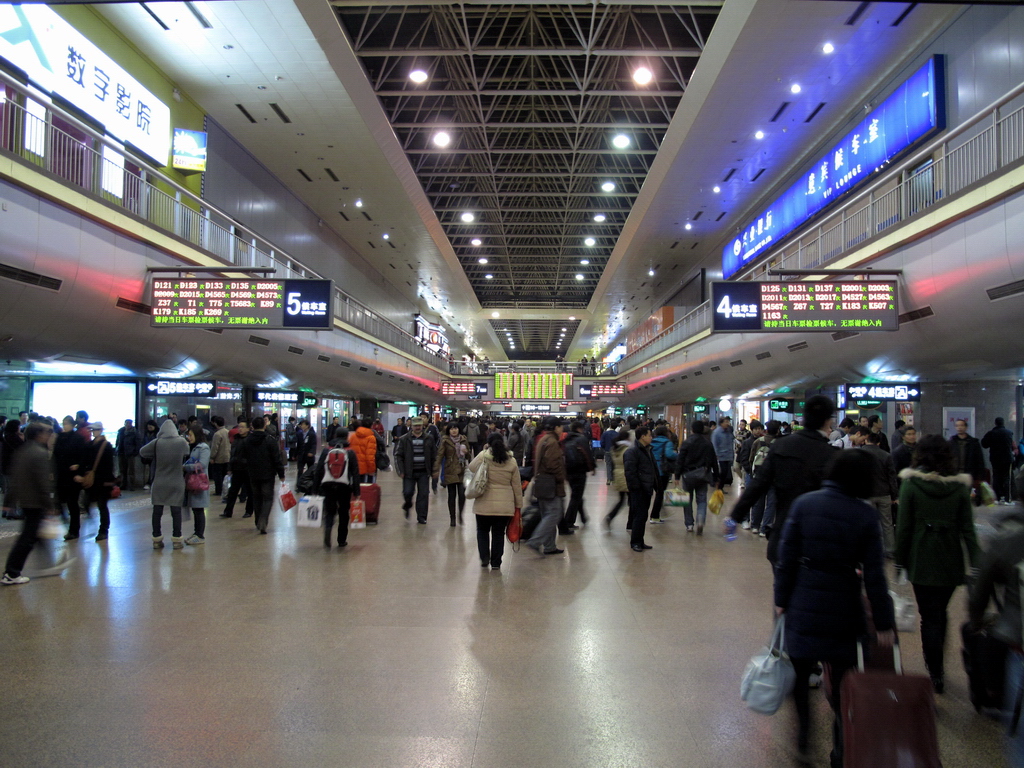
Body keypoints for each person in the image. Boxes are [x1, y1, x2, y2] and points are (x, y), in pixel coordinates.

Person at [774, 449, 896, 764]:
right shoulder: (866, 515)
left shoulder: (805, 504)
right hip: (845, 606)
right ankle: (841, 745)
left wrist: (780, 601)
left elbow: (786, 560)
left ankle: (803, 737)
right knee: (845, 682)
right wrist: (883, 622)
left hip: (804, 601)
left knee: (800, 675)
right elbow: (875, 576)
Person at [896, 434, 981, 693]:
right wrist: (976, 563)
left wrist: (900, 562)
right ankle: (939, 669)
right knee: (940, 613)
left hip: (921, 558)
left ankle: (935, 671)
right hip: (950, 558)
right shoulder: (959, 487)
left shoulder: (910, 485)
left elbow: (905, 528)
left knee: (928, 616)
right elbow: (968, 529)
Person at [728, 395, 839, 562]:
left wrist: (735, 517)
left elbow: (759, 484)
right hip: (815, 542)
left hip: (783, 536)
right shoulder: (832, 456)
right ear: (827, 421)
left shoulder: (781, 446)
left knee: (782, 585)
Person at [2, 422, 61, 585]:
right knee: (28, 538)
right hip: (36, 502)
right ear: (39, 435)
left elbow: (14, 478)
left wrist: (9, 501)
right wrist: (50, 505)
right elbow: (43, 483)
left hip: (26, 501)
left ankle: (51, 563)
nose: (49, 436)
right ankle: (12, 573)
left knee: (34, 534)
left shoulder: (22, 451)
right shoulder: (40, 453)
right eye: (46, 433)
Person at [469, 433, 523, 570]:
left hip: (483, 503)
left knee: (482, 531)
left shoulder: (483, 456)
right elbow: (517, 485)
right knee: (498, 534)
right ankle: (496, 562)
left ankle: (484, 557)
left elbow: (471, 467)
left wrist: (484, 450)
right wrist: (518, 505)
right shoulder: (512, 460)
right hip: (504, 506)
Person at [139, 419, 190, 549]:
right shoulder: (181, 442)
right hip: (176, 481)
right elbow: (187, 452)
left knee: (157, 512)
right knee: (176, 511)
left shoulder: (157, 442)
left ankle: (157, 539)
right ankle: (177, 540)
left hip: (159, 481)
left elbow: (142, 452)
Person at [311, 428, 360, 549]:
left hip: (327, 485)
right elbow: (355, 473)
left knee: (330, 511)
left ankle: (328, 528)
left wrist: (315, 489)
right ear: (347, 437)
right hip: (344, 486)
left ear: (335, 435)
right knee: (344, 512)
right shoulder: (350, 452)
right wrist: (357, 491)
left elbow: (318, 470)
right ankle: (341, 540)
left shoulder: (326, 450)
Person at [237, 416, 286, 535]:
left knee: (256, 497)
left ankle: (257, 521)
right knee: (268, 498)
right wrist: (281, 474)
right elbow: (276, 459)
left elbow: (240, 458)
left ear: (252, 426)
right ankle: (263, 521)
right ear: (264, 426)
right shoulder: (270, 440)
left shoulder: (246, 441)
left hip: (253, 473)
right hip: (268, 474)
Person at [526, 416, 566, 556]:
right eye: (561, 426)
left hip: (541, 482)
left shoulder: (543, 439)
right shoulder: (552, 442)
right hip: (551, 484)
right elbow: (552, 464)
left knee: (547, 514)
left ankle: (549, 546)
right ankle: (535, 541)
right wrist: (561, 477)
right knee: (553, 514)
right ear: (555, 427)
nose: (562, 429)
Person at [675, 419, 718, 534]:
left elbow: (680, 460)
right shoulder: (707, 443)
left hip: (687, 475)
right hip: (702, 475)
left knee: (687, 500)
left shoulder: (686, 442)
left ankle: (689, 524)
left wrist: (677, 476)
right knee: (702, 499)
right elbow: (714, 461)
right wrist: (717, 477)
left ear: (692, 429)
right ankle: (700, 520)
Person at [74, 423, 115, 542]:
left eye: (96, 430)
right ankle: (100, 528)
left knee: (102, 506)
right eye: (93, 430)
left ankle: (103, 530)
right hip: (93, 481)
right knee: (88, 503)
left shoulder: (106, 446)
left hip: (102, 481)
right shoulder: (90, 445)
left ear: (101, 430)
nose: (94, 432)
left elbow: (108, 466)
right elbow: (84, 461)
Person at [860, 430, 898, 558]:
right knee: (887, 523)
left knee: (867, 523)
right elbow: (892, 478)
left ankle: (868, 550)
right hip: (884, 493)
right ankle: (890, 550)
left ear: (866, 440)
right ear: (879, 443)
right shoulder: (886, 455)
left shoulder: (860, 454)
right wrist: (894, 496)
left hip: (866, 493)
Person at [394, 418, 437, 523]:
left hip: (424, 472)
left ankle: (422, 517)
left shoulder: (429, 438)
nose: (418, 427)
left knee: (423, 494)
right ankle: (407, 505)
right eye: (415, 425)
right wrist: (400, 470)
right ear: (411, 426)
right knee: (408, 492)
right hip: (409, 472)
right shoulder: (404, 439)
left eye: (419, 425)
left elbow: (434, 455)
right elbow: (398, 455)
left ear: (423, 426)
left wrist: (434, 470)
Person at [54, 416, 88, 541]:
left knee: (72, 503)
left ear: (73, 425)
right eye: (64, 423)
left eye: (67, 424)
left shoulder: (78, 438)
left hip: (73, 477)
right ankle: (67, 524)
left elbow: (83, 457)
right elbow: (56, 455)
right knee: (60, 502)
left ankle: (74, 530)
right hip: (62, 475)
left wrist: (79, 469)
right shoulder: (60, 437)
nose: (65, 426)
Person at [624, 426, 658, 551]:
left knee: (643, 516)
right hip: (639, 490)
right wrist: (636, 488)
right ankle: (635, 542)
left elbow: (652, 469)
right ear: (642, 436)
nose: (651, 437)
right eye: (649, 435)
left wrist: (656, 485)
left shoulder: (647, 450)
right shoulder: (632, 451)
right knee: (639, 516)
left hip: (646, 488)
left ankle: (640, 540)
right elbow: (630, 473)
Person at [561, 420, 596, 532]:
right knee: (576, 496)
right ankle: (568, 522)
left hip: (568, 470)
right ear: (579, 429)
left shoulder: (566, 439)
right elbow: (587, 454)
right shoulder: (581, 439)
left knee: (576, 494)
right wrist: (592, 467)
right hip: (579, 470)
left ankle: (583, 517)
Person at [434, 424, 469, 526]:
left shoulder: (463, 440)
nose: (454, 431)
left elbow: (468, 456)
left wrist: (466, 452)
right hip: (450, 470)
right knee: (452, 495)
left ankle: (460, 514)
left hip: (462, 470)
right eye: (452, 429)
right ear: (448, 430)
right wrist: (436, 469)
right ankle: (452, 518)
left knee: (462, 495)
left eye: (456, 428)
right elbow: (440, 455)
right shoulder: (445, 441)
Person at [183, 424, 210, 546]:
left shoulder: (203, 448)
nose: (189, 437)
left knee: (199, 509)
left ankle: (200, 535)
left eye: (191, 435)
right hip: (192, 482)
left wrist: (186, 467)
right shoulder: (192, 447)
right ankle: (196, 533)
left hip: (199, 482)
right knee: (195, 508)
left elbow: (202, 464)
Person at [220, 419, 252, 518]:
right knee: (233, 491)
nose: (240, 429)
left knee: (250, 491)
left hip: (247, 469)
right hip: (236, 468)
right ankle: (228, 511)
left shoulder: (251, 440)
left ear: (248, 428)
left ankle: (249, 511)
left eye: (242, 427)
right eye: (239, 427)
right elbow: (232, 454)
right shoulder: (236, 439)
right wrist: (230, 467)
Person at [648, 424, 678, 524]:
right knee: (660, 493)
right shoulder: (667, 442)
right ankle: (655, 516)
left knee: (657, 493)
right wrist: (677, 455)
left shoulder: (651, 441)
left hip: (651, 469)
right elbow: (669, 454)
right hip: (662, 470)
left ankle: (658, 512)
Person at [982, 417, 1016, 503]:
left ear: (995, 423)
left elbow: (984, 444)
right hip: (1007, 459)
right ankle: (1008, 499)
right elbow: (1012, 445)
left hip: (995, 459)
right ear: (1003, 423)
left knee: (996, 478)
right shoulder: (1009, 433)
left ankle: (997, 497)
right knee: (1007, 478)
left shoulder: (991, 433)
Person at [604, 428, 631, 528]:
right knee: (632, 501)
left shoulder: (614, 448)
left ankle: (610, 516)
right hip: (627, 475)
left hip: (618, 475)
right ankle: (630, 524)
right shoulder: (627, 449)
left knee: (621, 500)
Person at [949, 418, 985, 491]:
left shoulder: (973, 443)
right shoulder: (951, 442)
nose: (959, 428)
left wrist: (980, 477)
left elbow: (979, 460)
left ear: (966, 427)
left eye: (961, 425)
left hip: (969, 474)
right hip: (955, 474)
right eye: (957, 426)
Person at [114, 419, 141, 491]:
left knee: (131, 470)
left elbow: (138, 443)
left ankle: (131, 485)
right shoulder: (121, 432)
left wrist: (135, 452)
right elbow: (118, 441)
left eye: (129, 423)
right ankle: (123, 484)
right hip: (121, 452)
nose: (128, 425)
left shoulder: (135, 432)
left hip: (130, 453)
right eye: (127, 423)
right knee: (122, 470)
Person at [350, 418, 379, 483]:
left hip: (354, 466)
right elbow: (370, 456)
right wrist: (372, 469)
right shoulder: (371, 438)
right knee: (366, 488)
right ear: (371, 426)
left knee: (356, 486)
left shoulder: (353, 436)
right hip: (365, 467)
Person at [711, 415, 735, 492]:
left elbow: (732, 440)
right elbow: (714, 444)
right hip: (720, 456)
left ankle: (720, 487)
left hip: (728, 455)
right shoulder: (716, 432)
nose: (728, 423)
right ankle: (719, 487)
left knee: (725, 473)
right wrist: (716, 455)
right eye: (726, 422)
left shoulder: (728, 431)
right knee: (722, 472)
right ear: (721, 423)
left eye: (728, 422)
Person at [208, 416, 230, 496]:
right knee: (225, 476)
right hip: (227, 457)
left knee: (218, 476)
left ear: (216, 424)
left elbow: (215, 447)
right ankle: (225, 490)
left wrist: (212, 457)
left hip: (219, 458)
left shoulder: (217, 434)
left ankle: (219, 491)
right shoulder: (228, 432)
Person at [140, 419, 158, 490]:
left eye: (151, 427)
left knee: (153, 469)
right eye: (148, 427)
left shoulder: (157, 434)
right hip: (147, 455)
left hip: (154, 455)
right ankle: (148, 482)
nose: (149, 429)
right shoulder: (146, 434)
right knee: (147, 470)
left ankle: (151, 482)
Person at [600, 420, 619, 485]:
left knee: (608, 465)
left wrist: (604, 448)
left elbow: (602, 442)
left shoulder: (605, 433)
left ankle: (609, 479)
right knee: (614, 465)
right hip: (615, 451)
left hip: (607, 450)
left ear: (610, 426)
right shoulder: (617, 434)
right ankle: (613, 479)